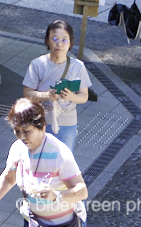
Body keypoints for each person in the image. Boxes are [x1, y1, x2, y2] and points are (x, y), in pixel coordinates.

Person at [0, 99, 89, 227]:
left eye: (27, 131)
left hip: (63, 224)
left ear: (42, 126)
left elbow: (82, 192)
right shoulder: (18, 148)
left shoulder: (59, 153)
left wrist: (55, 195)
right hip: (32, 220)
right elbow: (9, 177)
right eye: (17, 131)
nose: (22, 137)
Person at [22, 20, 91, 151]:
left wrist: (71, 97)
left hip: (67, 122)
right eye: (55, 39)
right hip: (41, 122)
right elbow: (27, 93)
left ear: (70, 43)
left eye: (64, 40)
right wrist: (47, 95)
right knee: (40, 161)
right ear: (47, 40)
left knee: (63, 164)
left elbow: (84, 96)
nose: (59, 44)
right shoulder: (37, 64)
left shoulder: (78, 66)